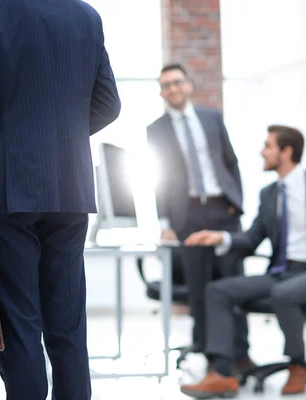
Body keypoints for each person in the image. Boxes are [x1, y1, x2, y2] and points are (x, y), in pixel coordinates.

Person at [0, 1, 120, 399]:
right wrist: (62, 139)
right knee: (68, 325)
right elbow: (109, 104)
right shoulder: (86, 15)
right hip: (71, 188)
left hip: (8, 192)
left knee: (19, 325)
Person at [181, 125, 306, 397]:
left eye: (268, 146)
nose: (262, 151)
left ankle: (299, 364)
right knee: (218, 291)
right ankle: (224, 372)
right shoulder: (270, 193)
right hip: (281, 272)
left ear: (286, 152)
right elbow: (251, 239)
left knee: (283, 294)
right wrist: (220, 238)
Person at [147, 63, 247, 360]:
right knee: (199, 289)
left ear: (188, 84)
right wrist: (165, 222)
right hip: (187, 215)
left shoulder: (212, 118)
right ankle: (207, 353)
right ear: (161, 92)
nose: (173, 89)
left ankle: (241, 354)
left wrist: (236, 202)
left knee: (234, 282)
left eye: (177, 82)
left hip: (222, 211)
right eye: (166, 85)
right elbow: (160, 178)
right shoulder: (156, 129)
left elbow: (231, 161)